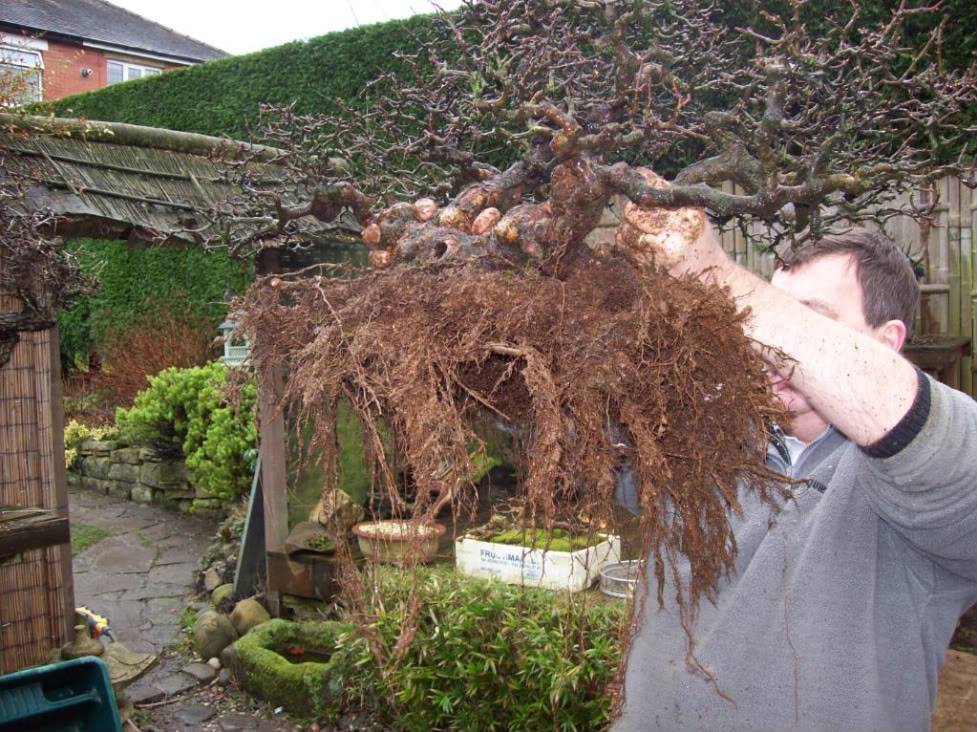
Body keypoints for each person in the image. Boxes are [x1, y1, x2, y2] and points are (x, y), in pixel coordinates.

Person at [611, 174, 977, 732]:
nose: (766, 345)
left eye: (804, 321)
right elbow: (575, 432)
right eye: (764, 317)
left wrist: (710, 275)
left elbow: (907, 415)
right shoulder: (704, 437)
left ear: (887, 342)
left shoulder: (926, 478)